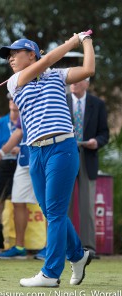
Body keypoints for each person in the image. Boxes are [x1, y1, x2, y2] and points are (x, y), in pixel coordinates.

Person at [0, 30, 95, 287]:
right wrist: (71, 41)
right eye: (8, 56)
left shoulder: (57, 76)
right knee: (52, 212)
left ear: (31, 54)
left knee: (54, 212)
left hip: (62, 149)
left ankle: (51, 273)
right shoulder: (15, 81)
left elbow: (87, 70)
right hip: (35, 152)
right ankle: (78, 255)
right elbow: (47, 61)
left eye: (14, 53)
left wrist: (86, 42)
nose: (10, 59)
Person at [67, 79, 109, 259]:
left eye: (78, 80)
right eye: (72, 80)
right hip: (65, 155)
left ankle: (88, 248)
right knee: (63, 205)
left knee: (87, 206)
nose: (73, 83)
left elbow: (104, 133)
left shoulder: (97, 104)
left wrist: (96, 142)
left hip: (88, 156)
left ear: (87, 83)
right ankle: (63, 247)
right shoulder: (61, 99)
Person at [0, 116, 45, 259]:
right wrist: (1, 153)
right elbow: (18, 132)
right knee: (18, 201)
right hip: (24, 160)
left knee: (50, 203)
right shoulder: (24, 103)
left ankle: (51, 247)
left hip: (45, 157)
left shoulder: (49, 98)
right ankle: (19, 247)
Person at [0, 93, 19, 220]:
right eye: (10, 99)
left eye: (15, 98)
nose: (12, 101)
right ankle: (1, 229)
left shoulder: (27, 120)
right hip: (3, 164)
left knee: (18, 200)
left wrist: (21, 149)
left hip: (20, 164)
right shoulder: (0, 122)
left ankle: (16, 232)